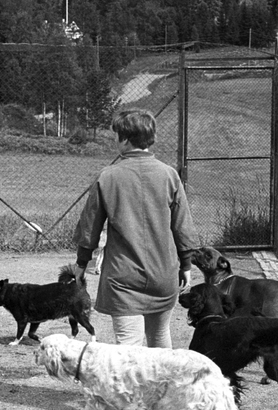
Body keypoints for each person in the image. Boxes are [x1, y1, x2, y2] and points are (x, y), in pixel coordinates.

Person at [74, 108, 199, 348]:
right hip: (163, 274)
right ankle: (162, 385)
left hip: (123, 277)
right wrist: (185, 265)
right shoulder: (169, 175)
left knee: (128, 345)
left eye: (116, 136)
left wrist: (81, 264)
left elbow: (89, 228)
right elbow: (183, 227)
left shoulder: (108, 176)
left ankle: (131, 387)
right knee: (160, 337)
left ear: (124, 138)